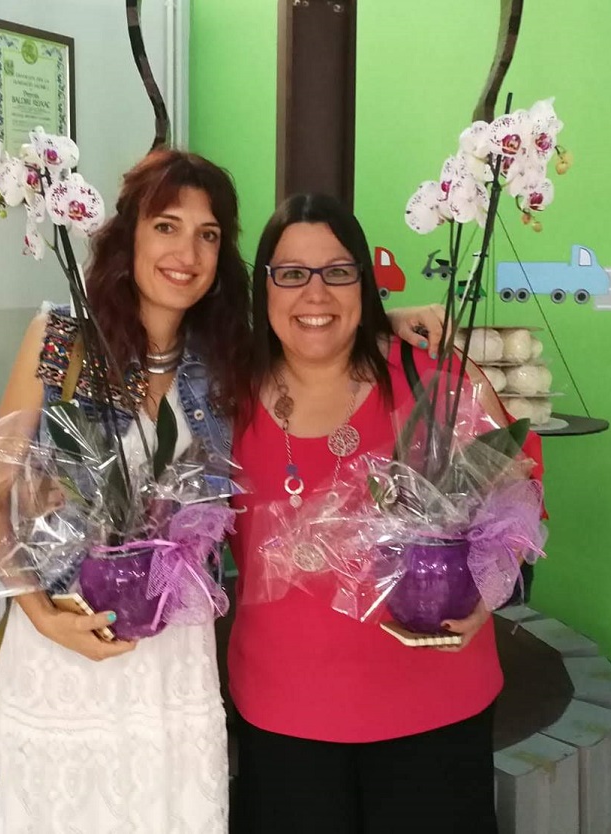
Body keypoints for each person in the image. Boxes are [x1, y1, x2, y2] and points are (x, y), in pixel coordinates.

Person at [0, 149, 443, 833]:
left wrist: (386, 319)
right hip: (67, 644)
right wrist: (42, 616)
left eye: (208, 234)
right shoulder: (62, 341)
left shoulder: (226, 357)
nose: (186, 252)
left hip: (175, 660)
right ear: (128, 235)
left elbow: (313, 326)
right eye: (166, 226)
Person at [228, 193, 543, 834]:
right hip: (282, 711)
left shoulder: (432, 377)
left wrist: (491, 587)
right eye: (292, 273)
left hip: (434, 705)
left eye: (337, 271)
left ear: (363, 283)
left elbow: (521, 486)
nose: (315, 292)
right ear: (265, 287)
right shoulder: (225, 395)